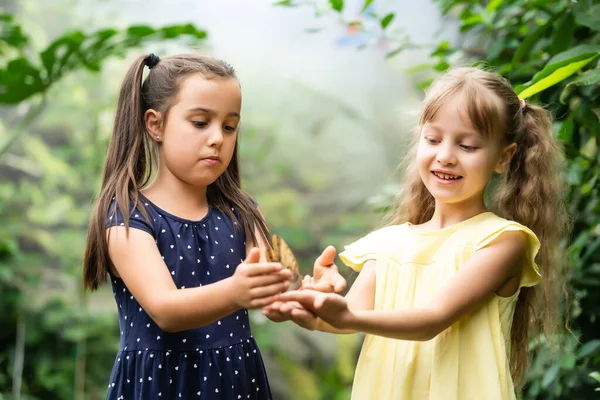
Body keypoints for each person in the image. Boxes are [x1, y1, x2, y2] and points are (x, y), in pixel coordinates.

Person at [266, 67, 570, 400]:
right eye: (434, 139)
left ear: (503, 157)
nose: (445, 156)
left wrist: (347, 314)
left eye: (467, 146)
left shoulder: (502, 241)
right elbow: (346, 321)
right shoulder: (388, 245)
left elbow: (432, 319)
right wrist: (307, 307)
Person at [82, 52, 344, 399]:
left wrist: (308, 293)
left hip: (236, 382)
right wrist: (234, 292)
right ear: (155, 124)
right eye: (200, 122)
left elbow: (274, 294)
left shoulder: (244, 212)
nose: (218, 138)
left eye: (229, 126)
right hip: (158, 386)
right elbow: (164, 309)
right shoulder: (128, 215)